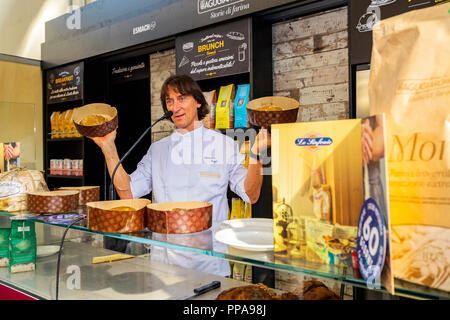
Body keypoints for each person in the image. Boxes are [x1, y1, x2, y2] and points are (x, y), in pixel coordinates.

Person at [90, 74, 270, 276]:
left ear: (199, 103)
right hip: (163, 264)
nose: (175, 107)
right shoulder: (157, 150)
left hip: (207, 263)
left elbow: (251, 194)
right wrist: (108, 148)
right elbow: (128, 194)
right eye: (170, 101)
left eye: (182, 98)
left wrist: (257, 153)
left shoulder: (224, 145)